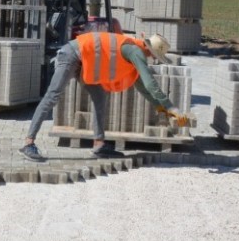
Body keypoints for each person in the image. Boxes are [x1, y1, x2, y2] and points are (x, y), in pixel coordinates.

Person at [20, 31, 181, 160]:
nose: (152, 59)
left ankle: (99, 145)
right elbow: (150, 83)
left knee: (100, 97)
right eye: (154, 56)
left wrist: (161, 109)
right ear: (150, 50)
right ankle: (29, 143)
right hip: (72, 54)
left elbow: (144, 89)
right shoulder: (135, 51)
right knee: (52, 96)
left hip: (86, 63)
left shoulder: (133, 52)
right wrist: (171, 107)